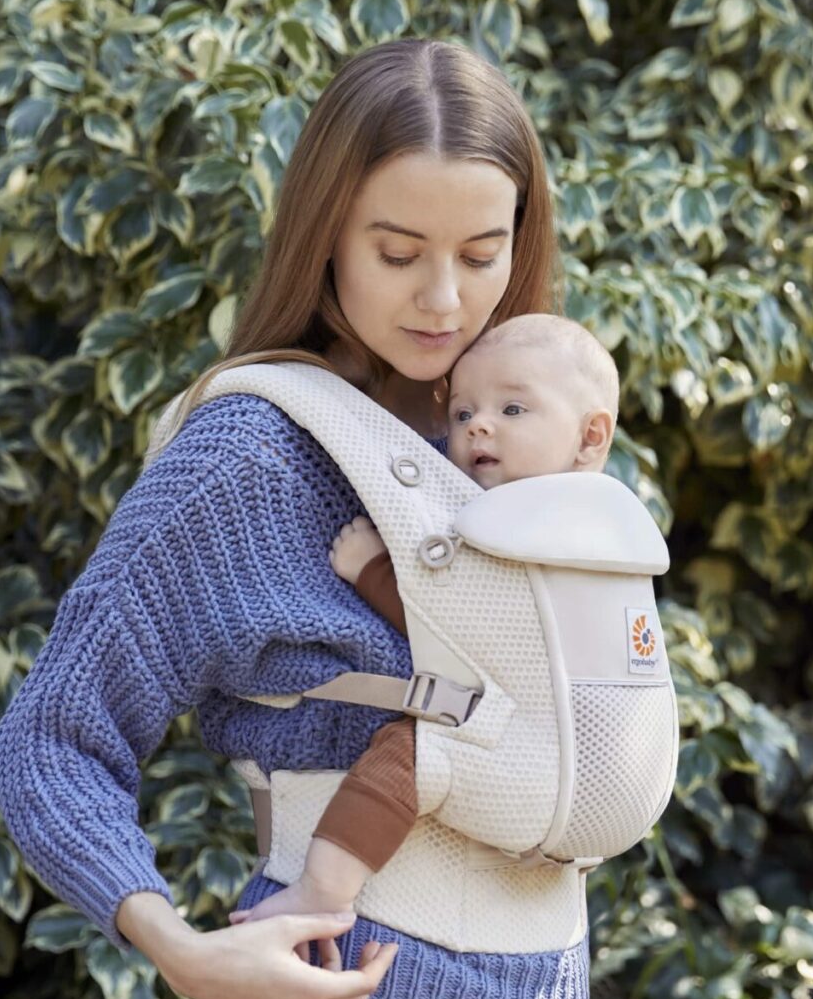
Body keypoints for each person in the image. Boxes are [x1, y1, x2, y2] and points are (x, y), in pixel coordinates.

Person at [0, 39, 676, 999]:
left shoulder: (526, 453)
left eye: (481, 254)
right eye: (397, 253)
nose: (444, 301)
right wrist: (180, 950)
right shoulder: (247, 460)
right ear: (324, 235)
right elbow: (49, 744)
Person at [225, 313, 622, 933]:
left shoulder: (531, 528)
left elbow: (458, 629)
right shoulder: (612, 526)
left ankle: (325, 888)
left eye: (513, 410)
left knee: (408, 749)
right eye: (462, 414)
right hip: (599, 772)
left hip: (534, 755)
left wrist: (371, 572)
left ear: (590, 436)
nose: (479, 425)